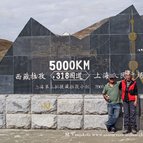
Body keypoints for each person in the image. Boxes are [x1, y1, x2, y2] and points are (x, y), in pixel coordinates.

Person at [119, 70, 138, 134]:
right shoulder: (122, 82)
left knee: (132, 114)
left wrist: (136, 101)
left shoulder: (134, 83)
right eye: (126, 75)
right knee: (126, 114)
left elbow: (136, 93)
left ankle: (133, 128)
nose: (127, 76)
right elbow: (117, 89)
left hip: (132, 100)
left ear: (130, 76)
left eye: (129, 75)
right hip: (125, 101)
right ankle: (126, 128)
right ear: (124, 76)